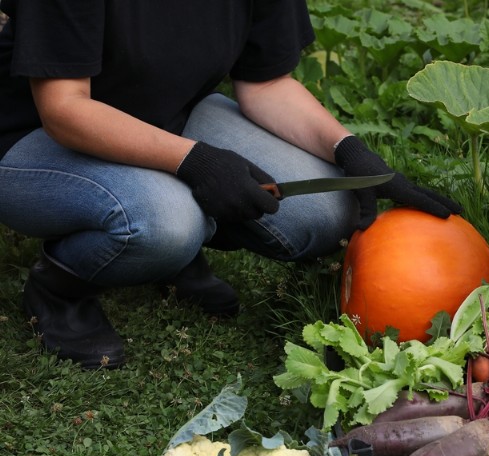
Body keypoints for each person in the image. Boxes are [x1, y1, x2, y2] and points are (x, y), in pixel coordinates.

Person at [0, 1, 461, 370]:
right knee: (167, 222)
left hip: (168, 118)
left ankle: (171, 249)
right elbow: (64, 109)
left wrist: (349, 152)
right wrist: (194, 161)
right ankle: (60, 288)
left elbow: (266, 84)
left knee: (326, 211)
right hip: (31, 139)